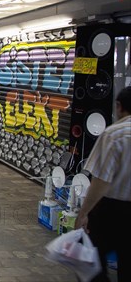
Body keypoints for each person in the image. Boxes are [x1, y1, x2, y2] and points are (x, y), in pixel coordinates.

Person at [74, 86, 131, 282]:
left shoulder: (114, 134)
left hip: (112, 211)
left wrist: (83, 213)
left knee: (93, 262)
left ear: (119, 106)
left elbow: (101, 181)